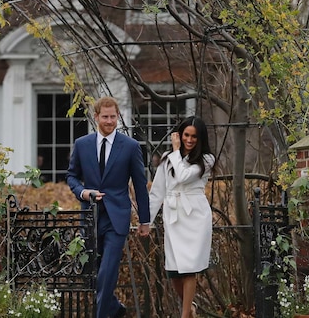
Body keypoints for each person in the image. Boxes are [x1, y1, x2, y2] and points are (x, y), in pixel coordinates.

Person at [66, 96, 151, 318]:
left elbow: (140, 185)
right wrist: (83, 192)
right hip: (90, 217)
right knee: (92, 273)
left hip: (117, 218)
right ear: (96, 117)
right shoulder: (82, 145)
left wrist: (144, 219)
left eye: (113, 116)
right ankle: (113, 308)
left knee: (108, 271)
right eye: (105, 117)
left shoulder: (131, 147)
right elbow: (72, 176)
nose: (110, 121)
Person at [149, 116, 215, 318]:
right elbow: (158, 191)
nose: (189, 139)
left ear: (200, 138)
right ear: (180, 134)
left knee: (190, 268)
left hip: (195, 216)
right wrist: (146, 222)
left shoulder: (207, 159)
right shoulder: (169, 158)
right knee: (174, 271)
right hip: (174, 216)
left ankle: (185, 315)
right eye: (186, 135)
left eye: (194, 136)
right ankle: (190, 307)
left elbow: (185, 176)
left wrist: (176, 151)